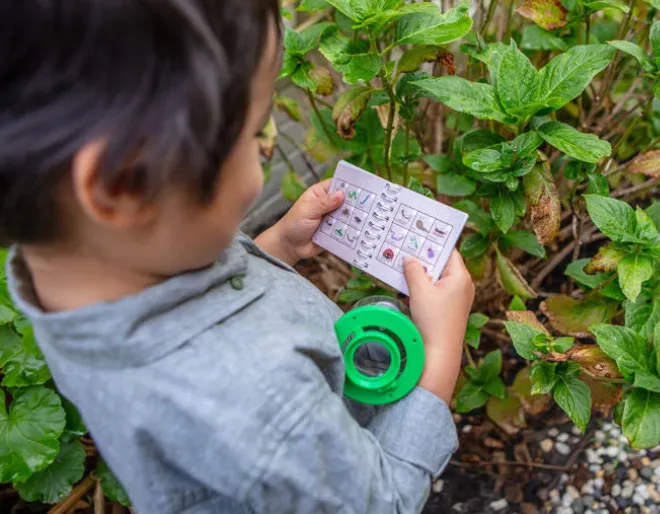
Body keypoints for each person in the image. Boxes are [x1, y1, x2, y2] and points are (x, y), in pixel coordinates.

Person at [0, 1, 475, 512]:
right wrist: (442, 351)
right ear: (124, 186)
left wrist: (276, 247)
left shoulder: (76, 267)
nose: (265, 154)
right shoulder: (255, 400)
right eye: (252, 134)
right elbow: (381, 502)